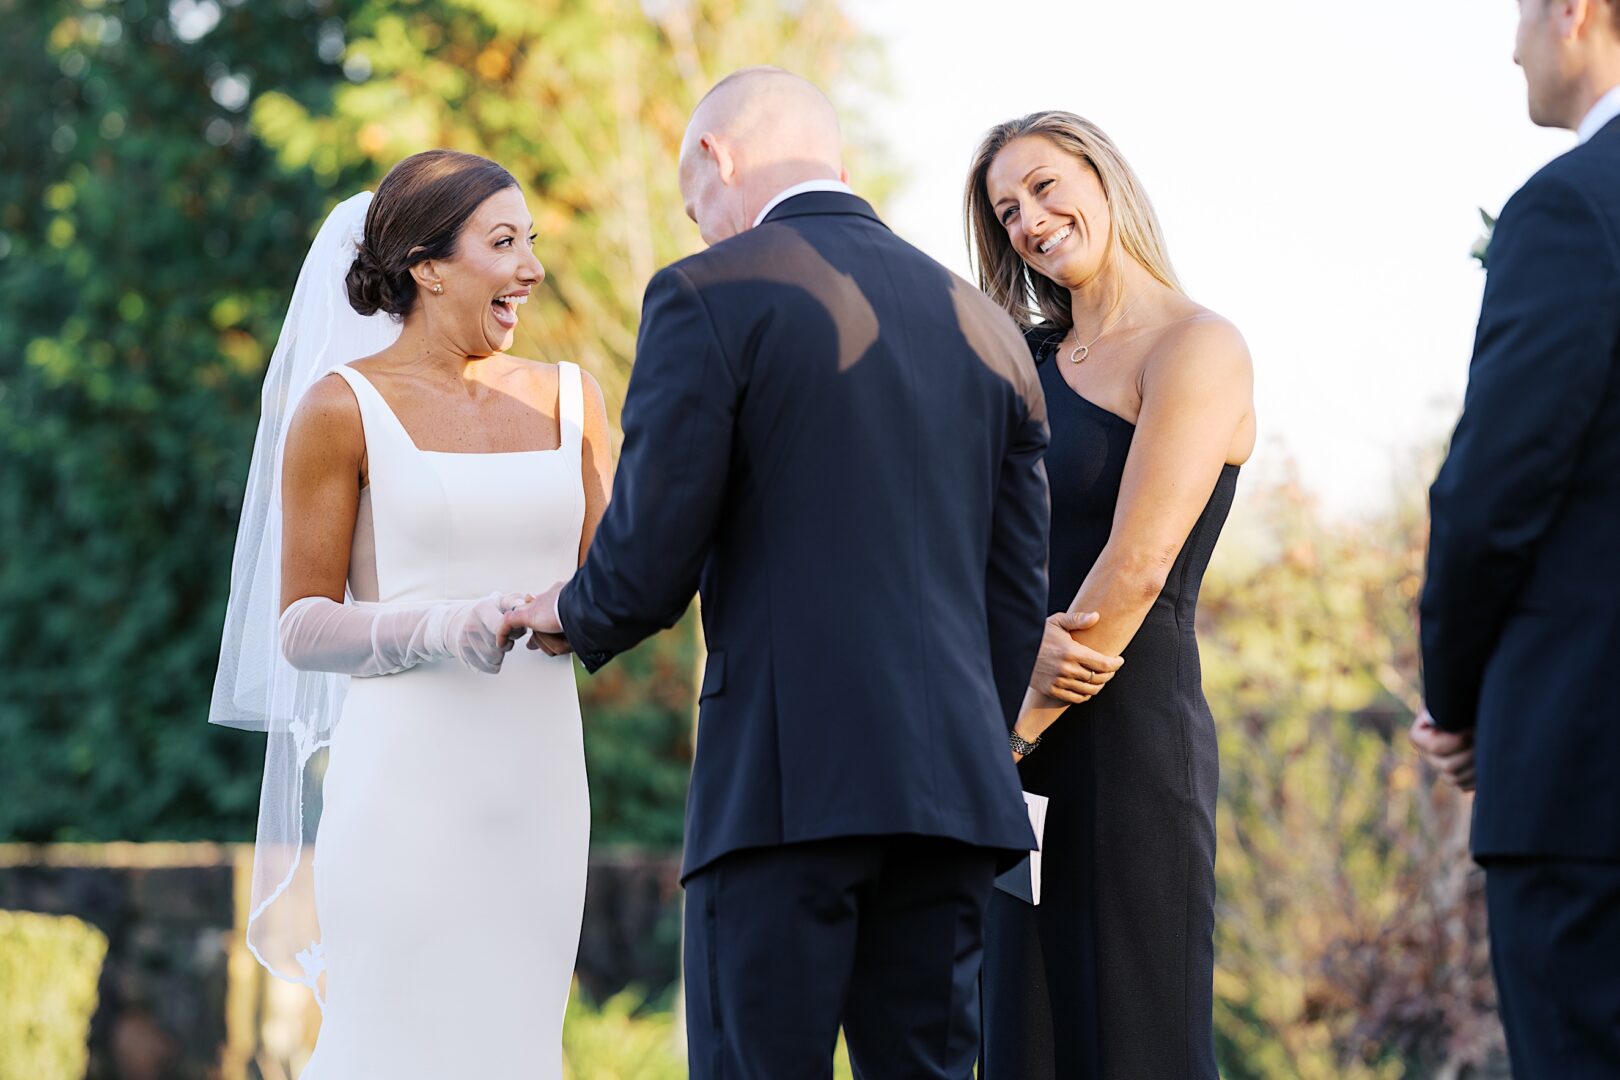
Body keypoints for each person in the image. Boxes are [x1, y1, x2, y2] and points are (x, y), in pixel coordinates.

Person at [502, 67, 1048, 1079]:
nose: (702, 224)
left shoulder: (708, 293)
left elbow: (655, 538)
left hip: (785, 794)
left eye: (690, 198)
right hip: (954, 803)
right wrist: (978, 728)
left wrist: (575, 613)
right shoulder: (989, 330)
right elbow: (1019, 591)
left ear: (718, 156)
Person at [208, 150, 611, 1078]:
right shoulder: (339, 408)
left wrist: (575, 614)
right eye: (503, 243)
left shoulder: (572, 399)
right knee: (393, 1041)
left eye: (531, 243)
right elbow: (302, 625)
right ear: (427, 266)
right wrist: (444, 623)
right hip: (404, 792)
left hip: (541, 792)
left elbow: (616, 586)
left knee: (516, 1043)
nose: (532, 270)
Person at [965, 112, 1256, 1079]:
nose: (1031, 221)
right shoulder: (1020, 364)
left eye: (1046, 187)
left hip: (1123, 737)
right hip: (1012, 737)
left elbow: (1132, 569)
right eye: (1007, 210)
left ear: (1103, 177)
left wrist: (1012, 735)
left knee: (1135, 1039)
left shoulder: (1198, 346)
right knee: (1018, 1039)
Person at [1411, 0, 1620, 1072]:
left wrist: (1457, 699)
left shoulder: (1575, 208)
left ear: (1575, 14)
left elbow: (1495, 491)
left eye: (1521, 15)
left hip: (1589, 777)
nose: (1512, 47)